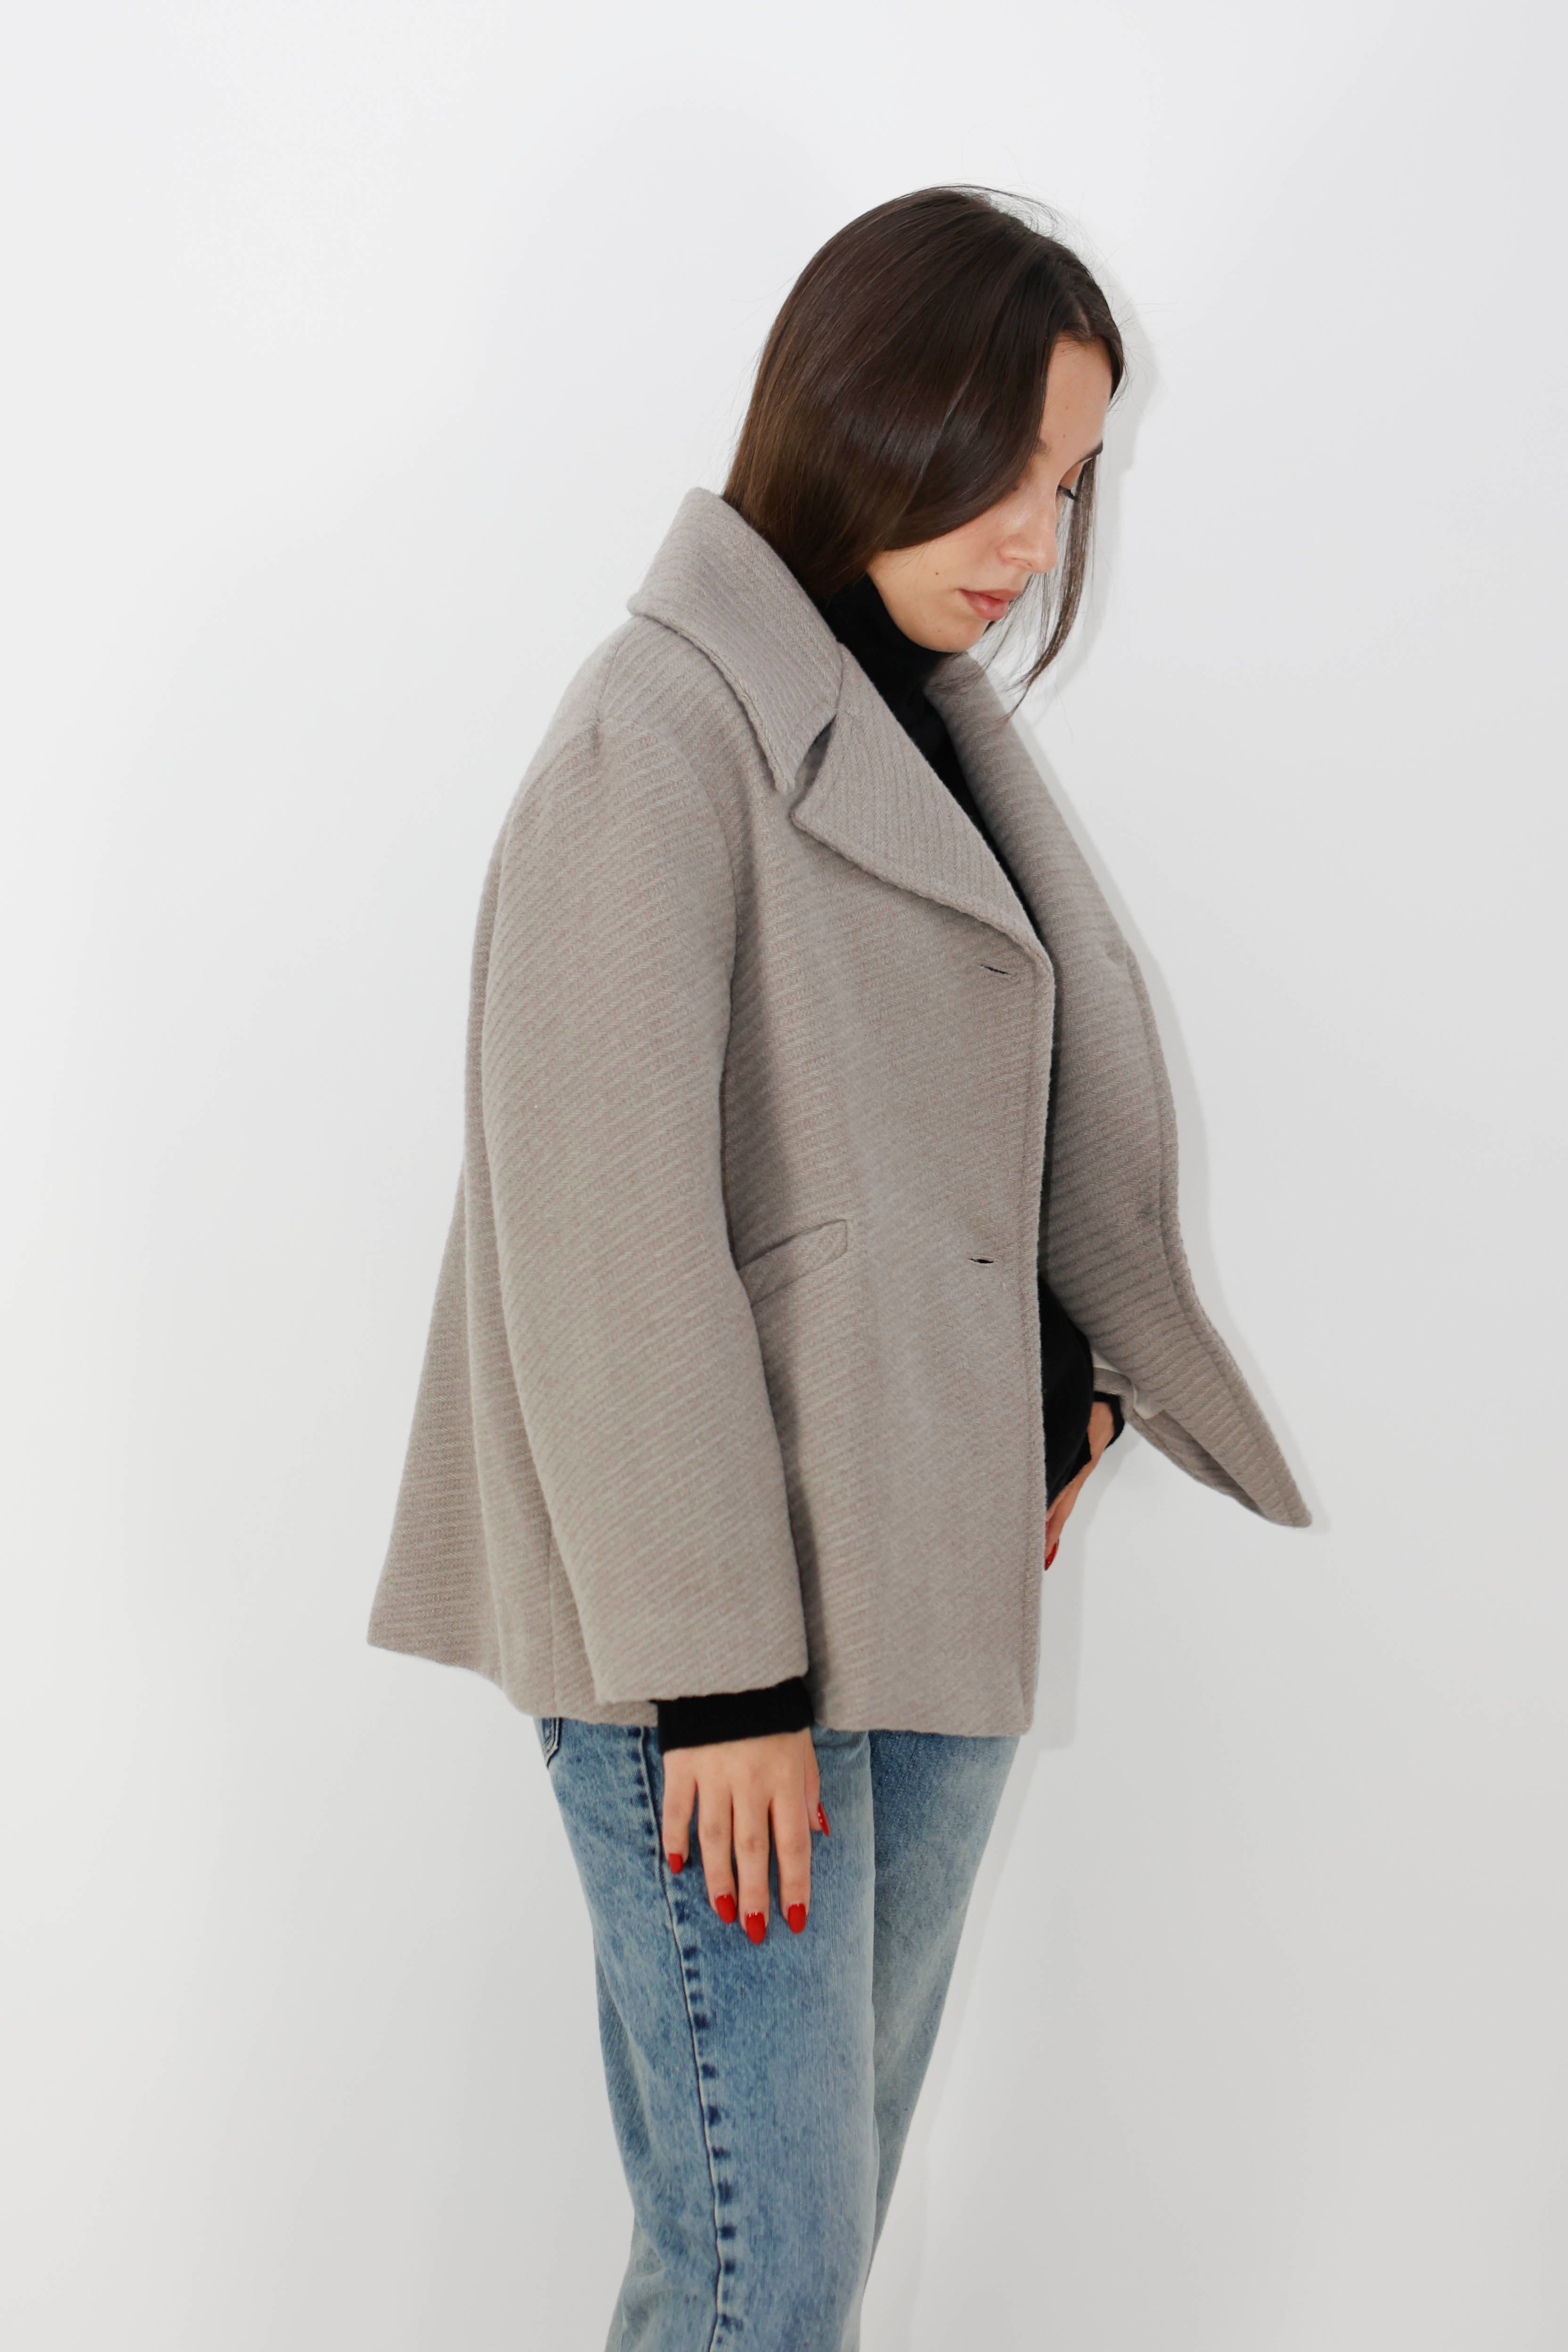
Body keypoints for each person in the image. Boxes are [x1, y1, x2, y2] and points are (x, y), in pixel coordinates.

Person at [367, 184, 1309, 2349]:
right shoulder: (654, 733)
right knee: (760, 2273)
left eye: (1067, 486)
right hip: (715, 1643)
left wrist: (1069, 1380)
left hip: (915, 1579)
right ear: (870, 413)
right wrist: (716, 1685)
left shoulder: (921, 720)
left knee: (775, 2259)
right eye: (1001, 470)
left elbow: (954, 1117)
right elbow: (597, 1237)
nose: (1032, 541)